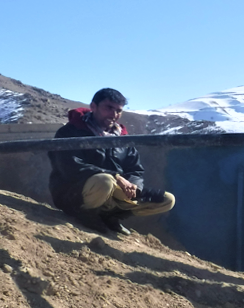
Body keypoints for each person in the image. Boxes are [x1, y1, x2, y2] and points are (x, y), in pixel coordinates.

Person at [48, 88, 174, 235]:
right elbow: (70, 167)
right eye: (108, 108)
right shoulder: (71, 132)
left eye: (118, 110)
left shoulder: (122, 139)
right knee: (105, 181)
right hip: (75, 193)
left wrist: (134, 186)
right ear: (93, 106)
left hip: (112, 191)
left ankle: (109, 217)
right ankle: (84, 214)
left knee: (166, 200)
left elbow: (135, 169)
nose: (114, 115)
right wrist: (116, 177)